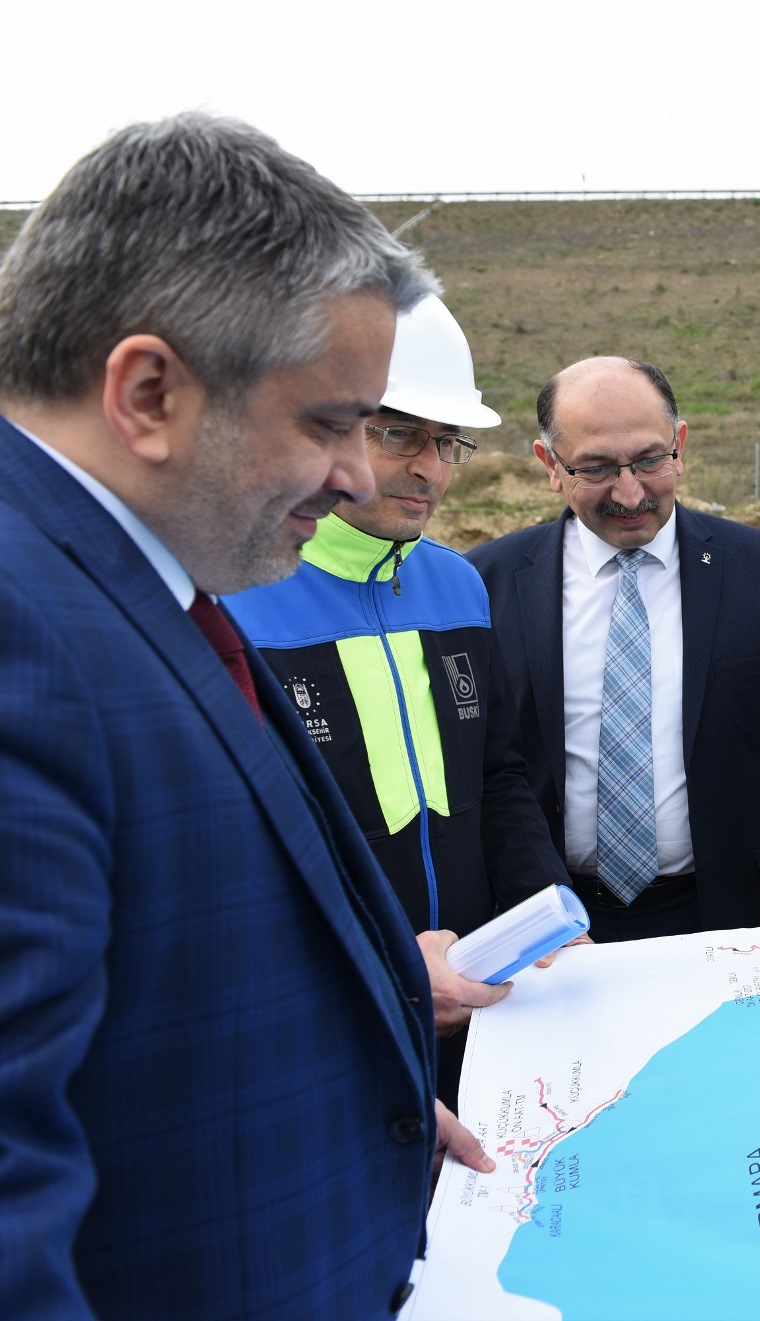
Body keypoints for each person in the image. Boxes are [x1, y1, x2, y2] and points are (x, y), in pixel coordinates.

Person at [0, 114, 490, 1320]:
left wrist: (356, 1104)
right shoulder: (26, 635)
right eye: (329, 422)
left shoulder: (145, 589)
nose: (360, 475)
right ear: (150, 393)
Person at [226, 294, 572, 1107]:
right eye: (400, 435)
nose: (430, 468)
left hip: (478, 1007)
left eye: (447, 442)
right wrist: (385, 959)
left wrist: (548, 917)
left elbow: (498, 777)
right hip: (330, 1015)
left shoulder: (459, 586)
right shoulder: (235, 602)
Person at [470, 356, 760, 941]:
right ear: (550, 466)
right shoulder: (487, 582)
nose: (630, 493)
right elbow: (485, 773)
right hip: (552, 925)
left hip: (728, 916)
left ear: (679, 446)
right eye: (597, 468)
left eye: (650, 460)